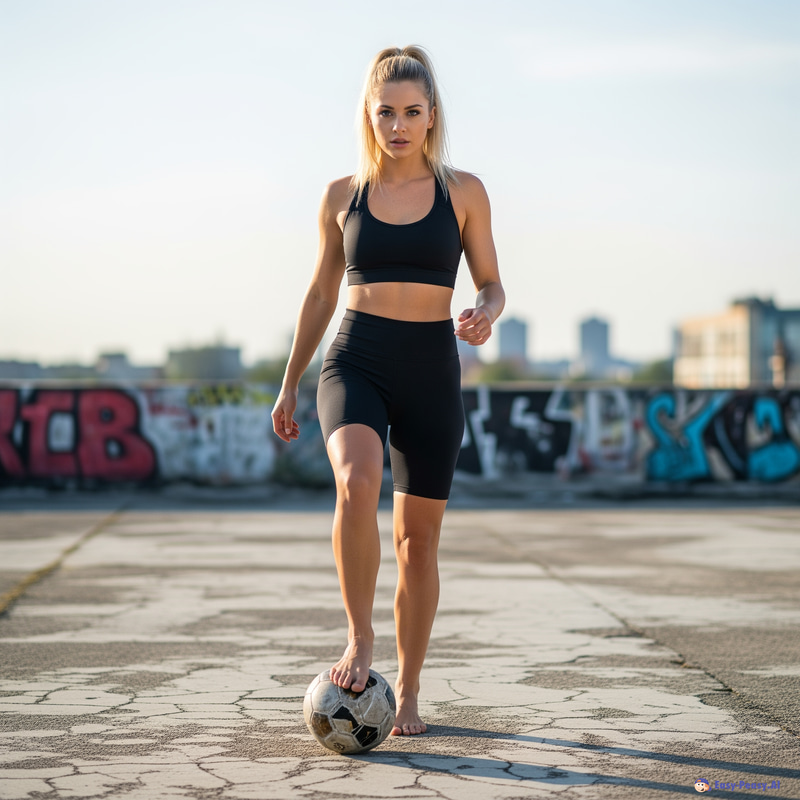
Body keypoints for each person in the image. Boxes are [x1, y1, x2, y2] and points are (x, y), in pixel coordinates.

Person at [271, 45, 504, 736]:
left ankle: (407, 688)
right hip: (356, 360)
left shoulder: (464, 192)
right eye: (385, 113)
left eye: (411, 112)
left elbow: (491, 280)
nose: (398, 125)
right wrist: (289, 384)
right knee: (355, 482)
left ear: (432, 117)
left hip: (433, 368)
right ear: (368, 117)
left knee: (418, 545)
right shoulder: (342, 195)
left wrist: (487, 311)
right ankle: (359, 638)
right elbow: (319, 293)